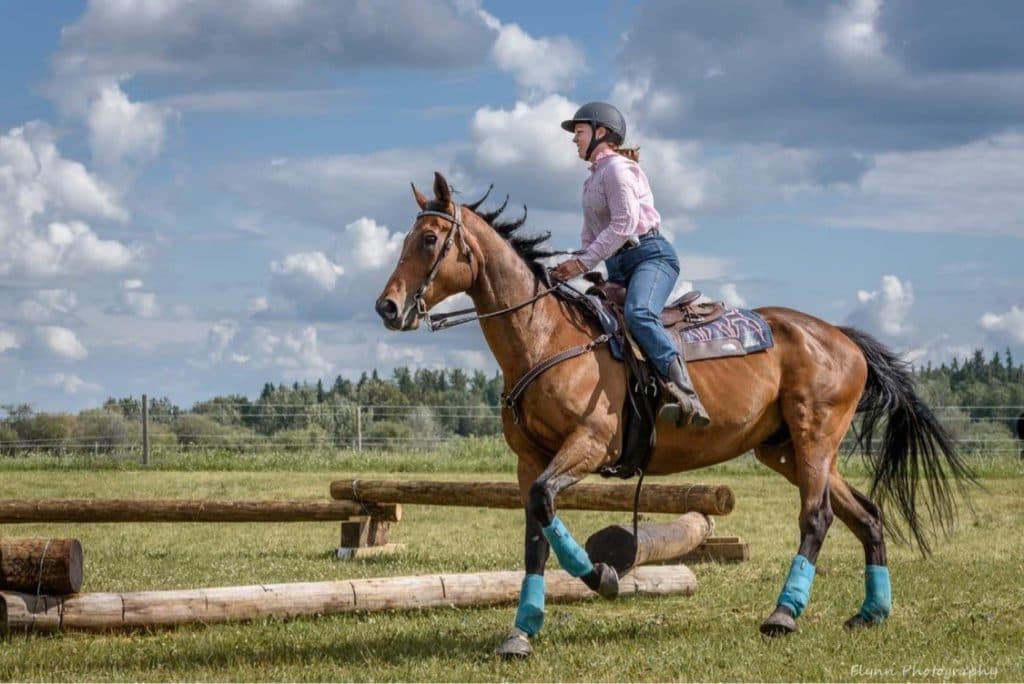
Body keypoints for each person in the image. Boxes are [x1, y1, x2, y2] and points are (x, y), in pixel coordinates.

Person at [549, 102, 710, 427]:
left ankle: (686, 393)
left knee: (639, 314)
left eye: (579, 132)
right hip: (618, 267)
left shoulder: (618, 170)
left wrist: (580, 264)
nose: (574, 139)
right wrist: (561, 264)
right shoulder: (591, 181)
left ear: (600, 132)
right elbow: (589, 238)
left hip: (651, 257)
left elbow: (624, 225)